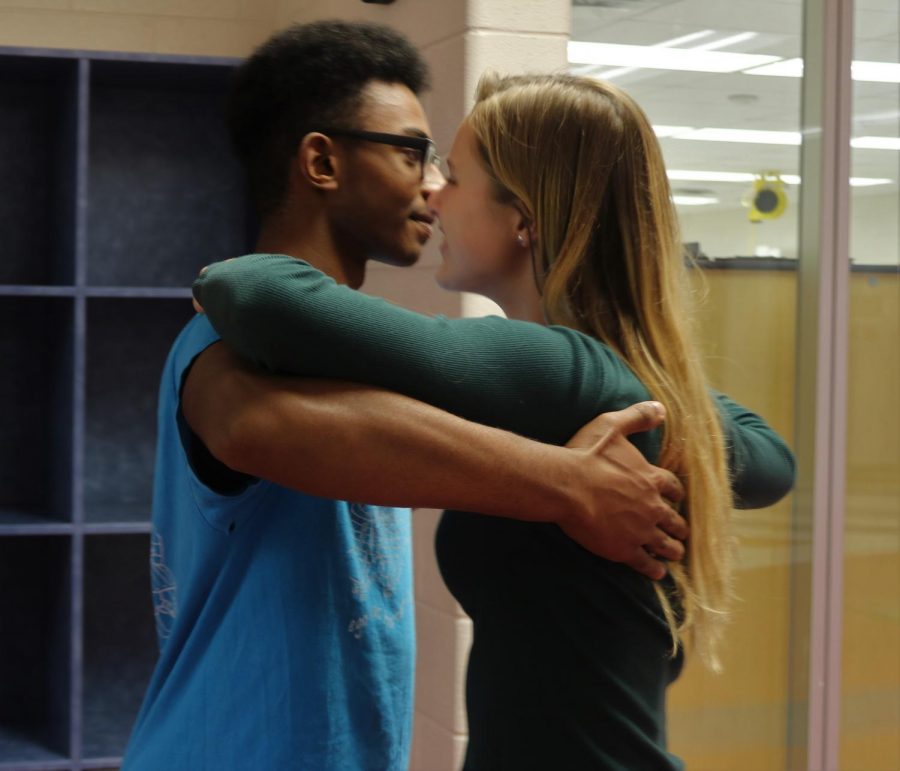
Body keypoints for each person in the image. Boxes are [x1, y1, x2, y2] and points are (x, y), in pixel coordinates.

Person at [122, 23, 692, 771]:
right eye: (412, 153)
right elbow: (257, 429)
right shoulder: (222, 343)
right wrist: (570, 485)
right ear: (323, 160)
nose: (431, 185)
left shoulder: (350, 356)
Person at [191, 73, 797, 769]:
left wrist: (208, 311)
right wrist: (662, 391)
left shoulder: (552, 369)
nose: (432, 194)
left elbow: (256, 293)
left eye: (456, 174)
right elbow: (771, 461)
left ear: (525, 218)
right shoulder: (611, 380)